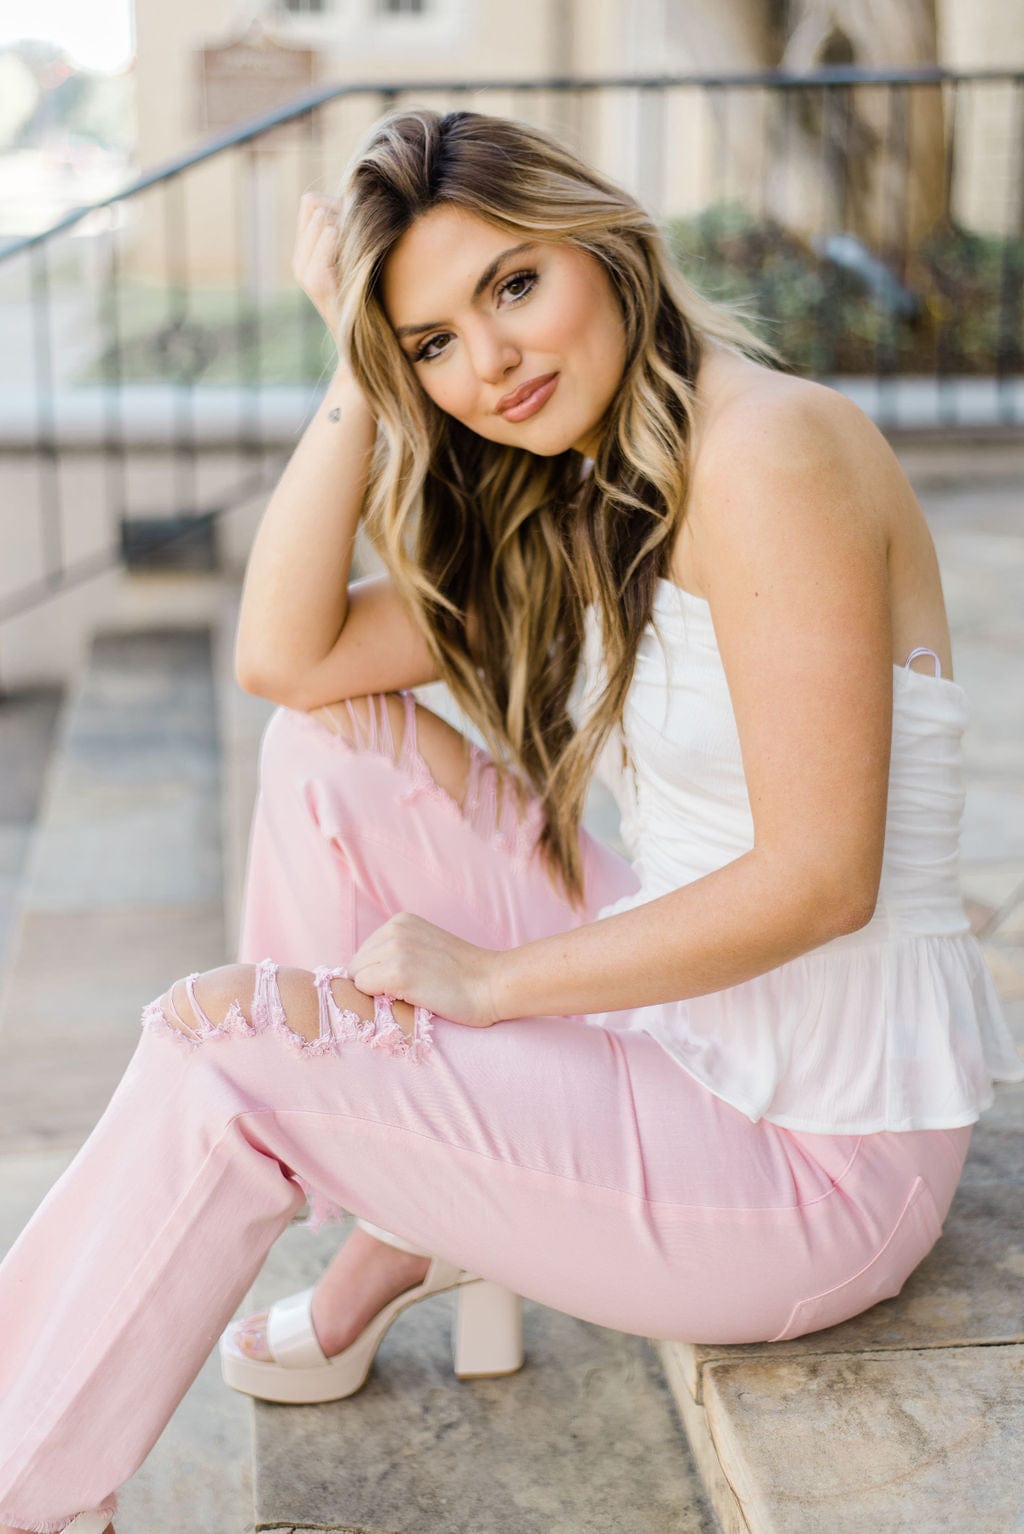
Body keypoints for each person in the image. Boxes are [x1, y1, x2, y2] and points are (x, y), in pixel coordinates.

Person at [1, 105, 1021, 1534]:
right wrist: (352, 364)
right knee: (328, 746)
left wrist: (490, 985)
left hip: (814, 1147)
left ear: (600, 244)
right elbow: (288, 657)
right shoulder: (591, 477)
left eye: (514, 286)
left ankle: (22, 1488)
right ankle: (405, 1208)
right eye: (431, 341)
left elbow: (816, 879)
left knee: (224, 1051)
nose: (490, 362)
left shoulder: (771, 455)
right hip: (692, 1028)